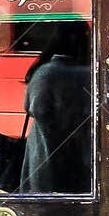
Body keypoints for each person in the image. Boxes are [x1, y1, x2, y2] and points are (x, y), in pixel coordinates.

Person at [20, 19, 93, 194]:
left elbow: (31, 108)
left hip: (43, 154)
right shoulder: (90, 73)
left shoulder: (44, 72)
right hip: (81, 154)